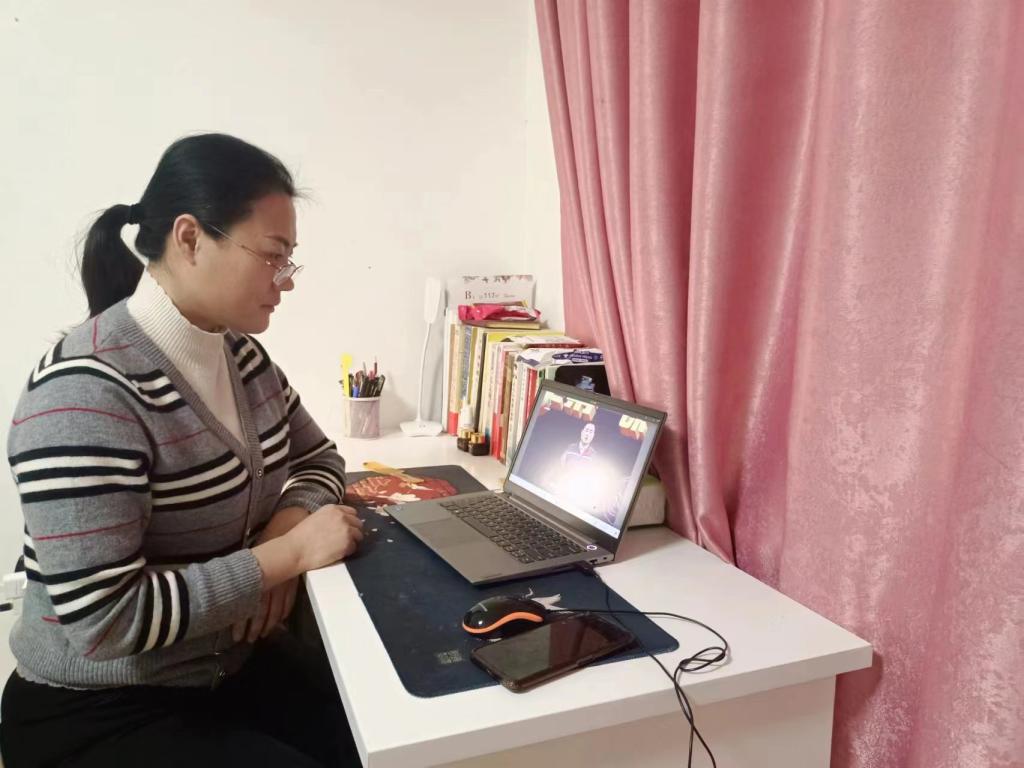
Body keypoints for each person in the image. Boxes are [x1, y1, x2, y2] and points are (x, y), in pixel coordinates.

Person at [0, 134, 364, 767]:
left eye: (290, 261)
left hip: (223, 669)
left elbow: (321, 459)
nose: (285, 282)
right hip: (99, 705)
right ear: (190, 238)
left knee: (382, 737)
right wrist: (282, 559)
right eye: (272, 256)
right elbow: (106, 622)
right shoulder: (83, 394)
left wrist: (282, 529)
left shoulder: (243, 358)